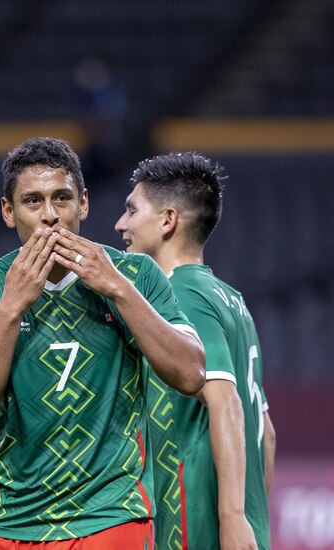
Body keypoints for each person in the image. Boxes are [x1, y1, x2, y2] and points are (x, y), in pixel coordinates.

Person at [0, 137, 206, 548]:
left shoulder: (135, 275)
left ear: (82, 204)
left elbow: (192, 374)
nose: (50, 216)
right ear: (8, 212)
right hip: (15, 520)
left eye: (61, 198)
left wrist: (118, 290)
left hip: (110, 514)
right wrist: (11, 308)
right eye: (33, 201)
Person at [114, 152, 275, 550]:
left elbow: (226, 402)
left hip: (196, 527)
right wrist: (251, 518)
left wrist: (231, 519)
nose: (121, 225)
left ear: (168, 220)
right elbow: (266, 435)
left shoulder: (181, 294)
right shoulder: (231, 299)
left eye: (132, 211)